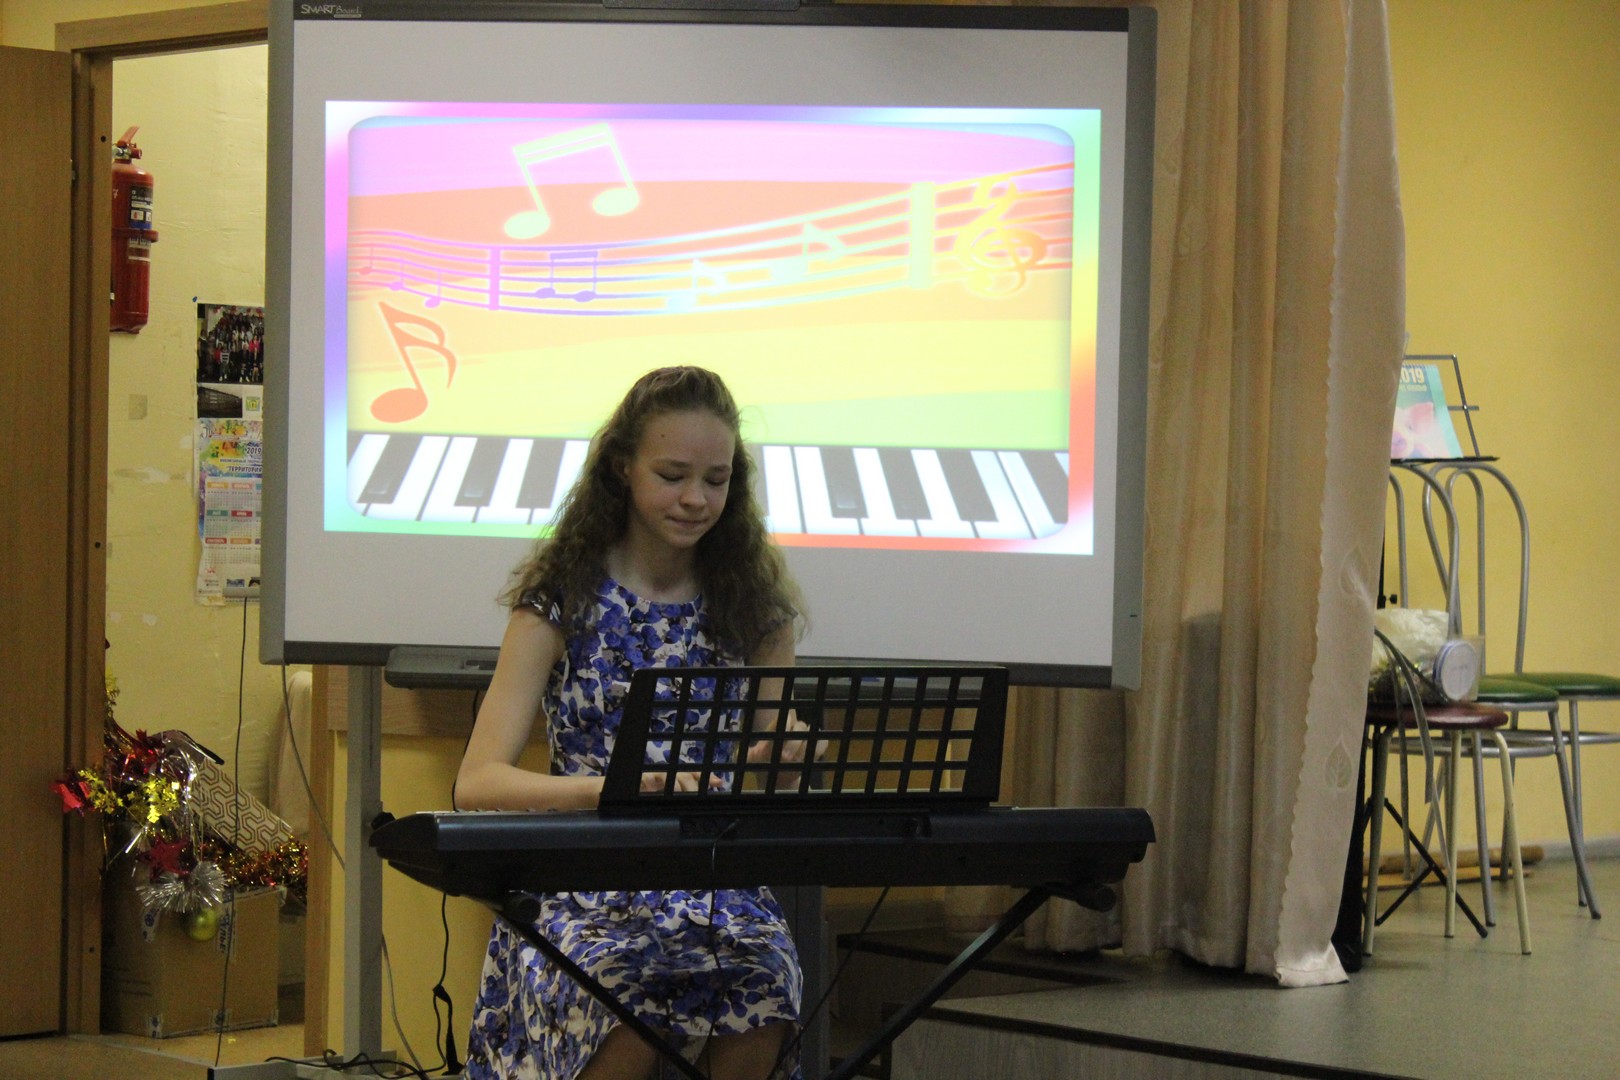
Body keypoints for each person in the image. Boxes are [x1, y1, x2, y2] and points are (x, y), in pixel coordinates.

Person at [455, 366, 809, 1080]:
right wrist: (615, 788)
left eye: (716, 480)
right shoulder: (560, 600)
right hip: (585, 875)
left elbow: (769, 770)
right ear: (622, 467)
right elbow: (477, 782)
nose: (696, 498)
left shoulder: (755, 608)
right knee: (623, 1002)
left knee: (765, 986)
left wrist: (786, 757)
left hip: (710, 877)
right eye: (673, 475)